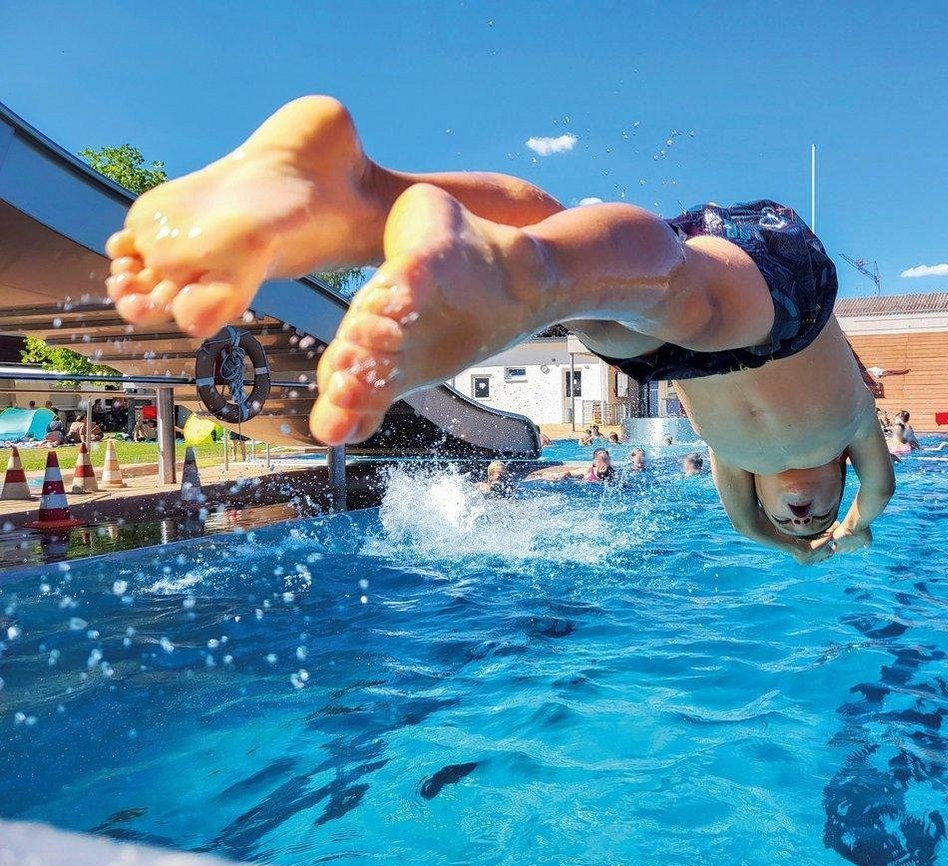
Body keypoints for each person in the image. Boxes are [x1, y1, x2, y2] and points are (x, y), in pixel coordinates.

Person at [102, 96, 894, 563]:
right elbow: (878, 495)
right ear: (842, 479)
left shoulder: (735, 463)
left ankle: (359, 196)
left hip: (666, 348)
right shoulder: (854, 430)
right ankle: (521, 279)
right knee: (690, 300)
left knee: (583, 284)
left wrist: (785, 546)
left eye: (795, 518)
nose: (804, 514)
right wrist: (841, 534)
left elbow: (747, 526)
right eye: (822, 507)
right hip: (778, 294)